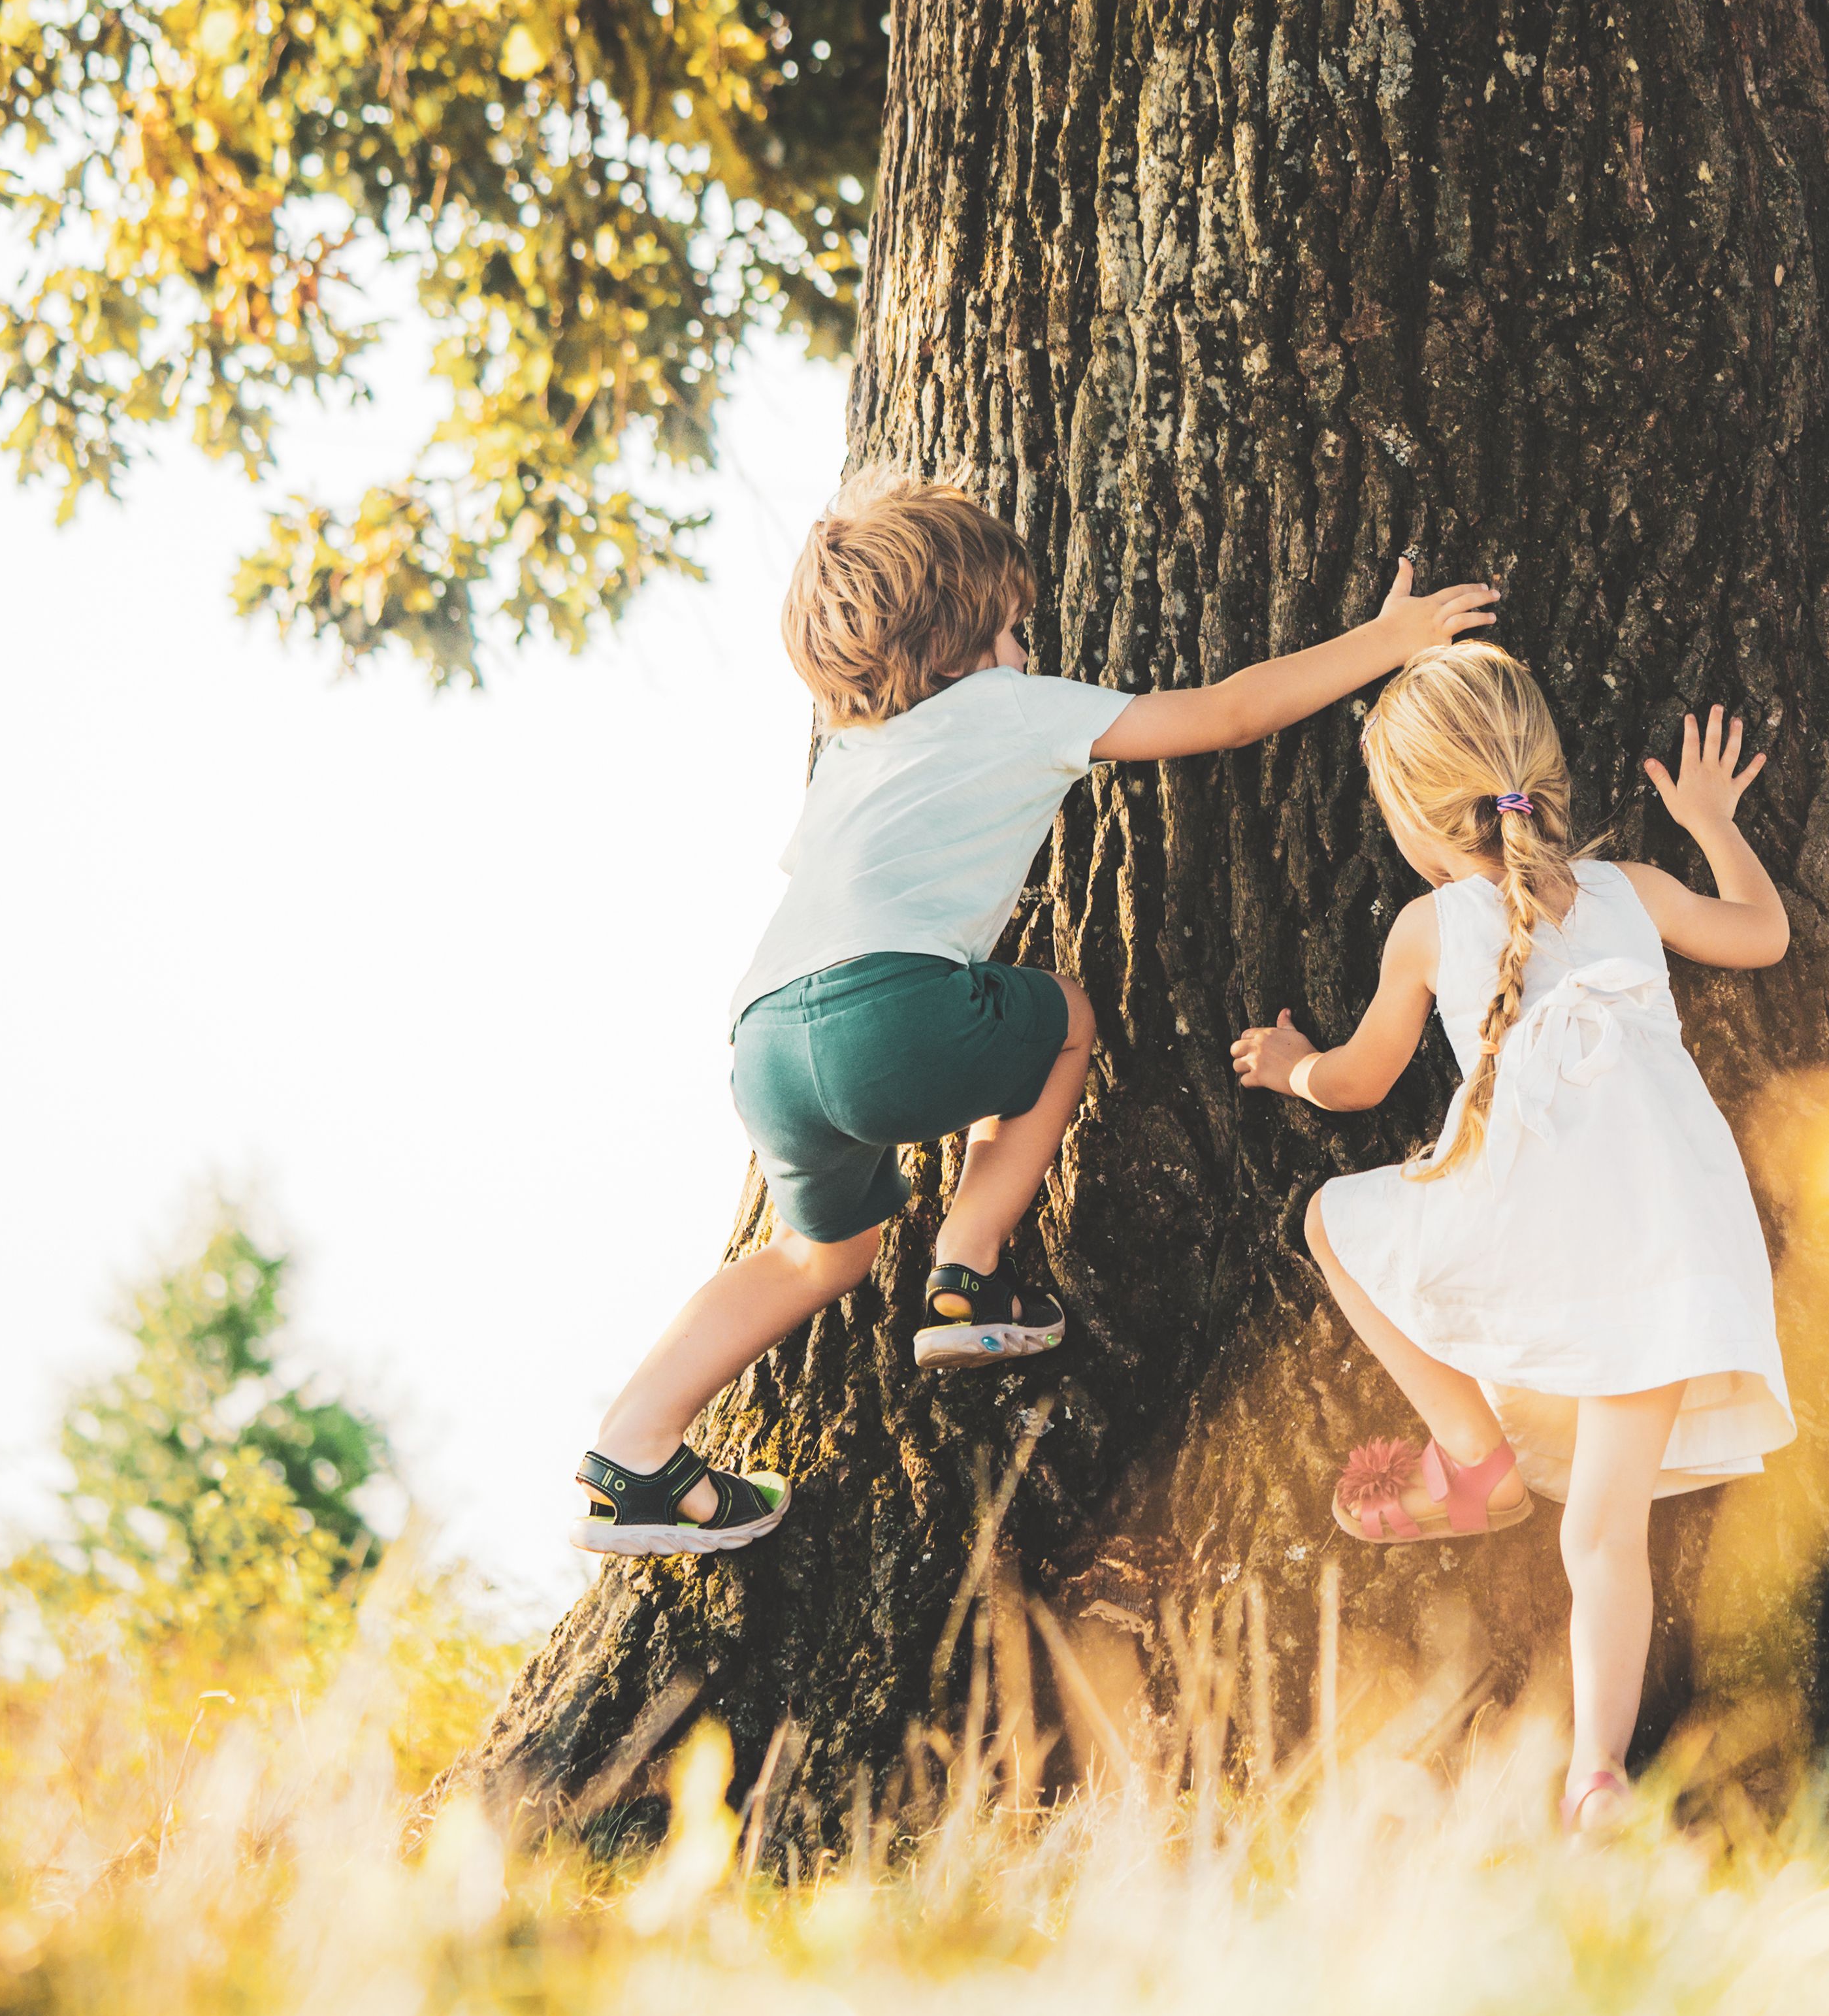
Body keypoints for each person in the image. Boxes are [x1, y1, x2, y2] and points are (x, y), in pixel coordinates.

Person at [572, 476, 1498, 1556]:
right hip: (890, 1011)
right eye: (1016, 629)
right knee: (1063, 1012)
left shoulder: (849, 755)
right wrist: (1388, 639)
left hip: (766, 1044)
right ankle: (967, 1268)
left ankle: (630, 1451)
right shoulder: (1011, 704)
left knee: (816, 1256)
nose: (1027, 649)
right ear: (962, 638)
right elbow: (1229, 713)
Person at [1227, 644, 1796, 1830]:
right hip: (1665, 1256)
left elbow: (1358, 1082)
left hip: (1542, 1237)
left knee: (1337, 1218)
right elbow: (1761, 934)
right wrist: (1710, 823)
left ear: (1414, 819)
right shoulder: (1634, 888)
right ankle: (1598, 1778)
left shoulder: (1430, 925)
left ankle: (1472, 1456)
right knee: (1604, 1538)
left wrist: (1290, 1070)